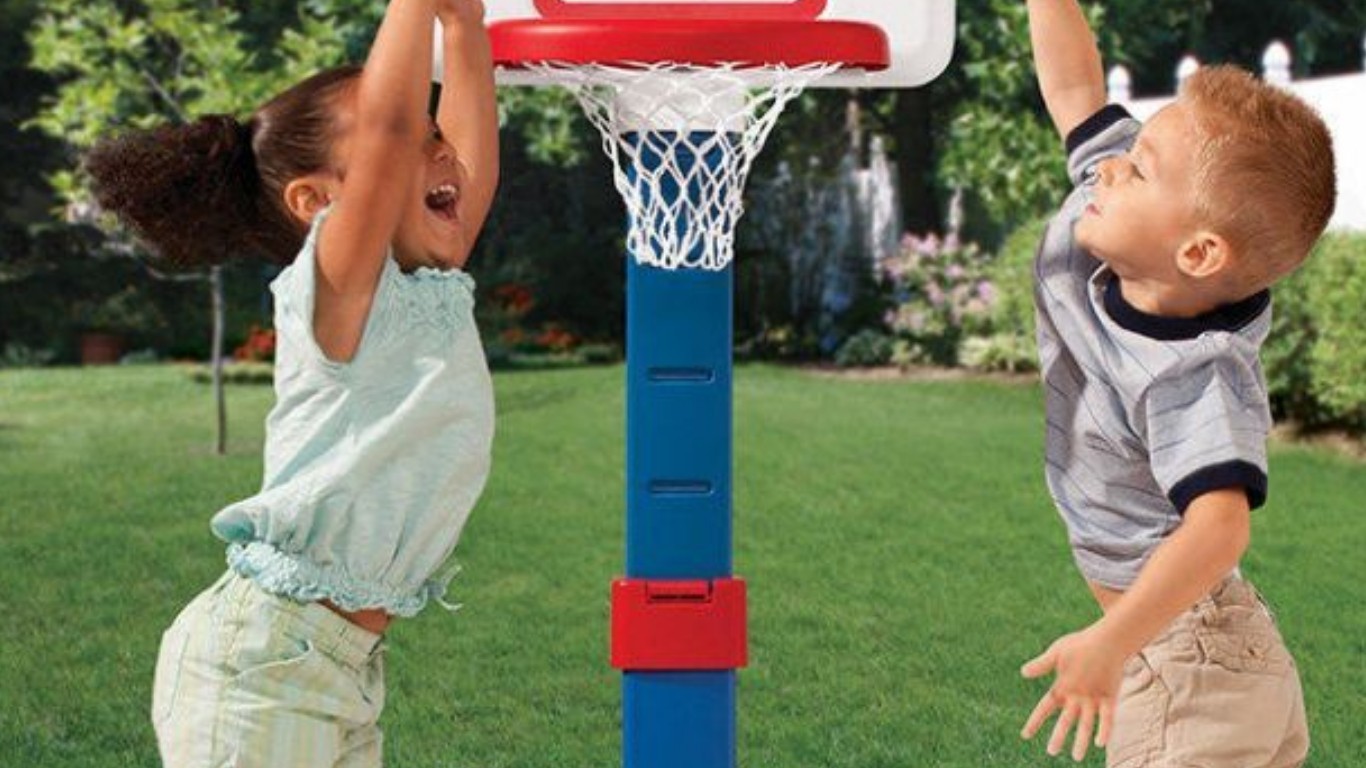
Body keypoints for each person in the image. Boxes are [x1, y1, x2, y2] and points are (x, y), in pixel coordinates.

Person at [84, 0, 498, 763]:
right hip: (263, 664)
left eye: (437, 134)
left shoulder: (427, 287)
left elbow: (459, 158)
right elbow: (386, 130)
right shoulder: (337, 291)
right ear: (317, 203)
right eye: (416, 137)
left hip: (337, 667)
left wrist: (464, 27)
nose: (439, 151)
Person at [1015, 1, 1335, 765]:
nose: (1113, 163)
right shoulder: (1122, 208)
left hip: (1188, 669)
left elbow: (1221, 527)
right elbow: (1072, 91)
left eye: (1140, 168)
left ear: (1196, 254)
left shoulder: (1196, 372)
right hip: (1204, 650)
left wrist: (1111, 643)